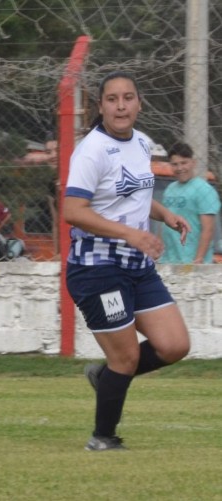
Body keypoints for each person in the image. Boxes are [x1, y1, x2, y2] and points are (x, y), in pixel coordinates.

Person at [63, 71, 191, 451]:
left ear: (139, 103)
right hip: (97, 267)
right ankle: (102, 437)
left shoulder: (142, 143)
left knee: (174, 345)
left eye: (128, 98)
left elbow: (132, 193)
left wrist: (163, 213)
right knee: (127, 357)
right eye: (113, 99)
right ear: (100, 106)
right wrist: (131, 233)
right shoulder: (91, 150)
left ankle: (106, 378)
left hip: (136, 265)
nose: (121, 106)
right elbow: (73, 210)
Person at [159, 142, 220, 264]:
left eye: (184, 163)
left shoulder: (204, 189)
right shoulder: (170, 189)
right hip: (168, 260)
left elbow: (208, 229)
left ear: (193, 162)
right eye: (175, 164)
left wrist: (198, 259)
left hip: (191, 262)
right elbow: (164, 222)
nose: (180, 168)